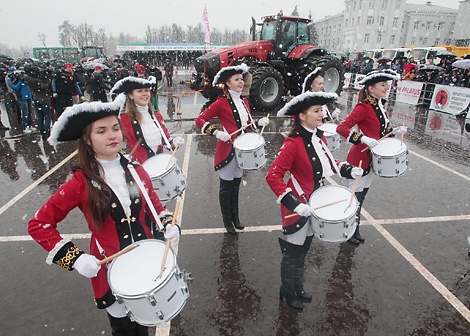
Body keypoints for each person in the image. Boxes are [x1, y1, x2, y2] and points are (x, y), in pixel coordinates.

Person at [27, 95, 180, 335]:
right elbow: (39, 224)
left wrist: (168, 222)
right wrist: (74, 258)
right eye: (102, 131)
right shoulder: (79, 183)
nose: (112, 135)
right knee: (124, 331)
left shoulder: (137, 170)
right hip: (112, 273)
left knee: (145, 326)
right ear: (87, 140)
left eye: (115, 128)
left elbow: (155, 206)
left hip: (147, 264)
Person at [266, 91, 363, 309]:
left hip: (315, 204)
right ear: (302, 115)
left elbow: (328, 162)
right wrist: (295, 204)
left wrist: (348, 169)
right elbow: (272, 175)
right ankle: (288, 291)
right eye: (316, 111)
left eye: (322, 110)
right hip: (298, 206)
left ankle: (297, 287)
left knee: (303, 250)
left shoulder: (317, 137)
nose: (322, 114)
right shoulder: (293, 143)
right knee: (292, 252)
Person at [195, 64, 269, 234]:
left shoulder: (244, 101)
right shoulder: (220, 103)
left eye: (241, 79)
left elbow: (247, 126)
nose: (241, 82)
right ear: (227, 83)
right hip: (227, 150)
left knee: (236, 186)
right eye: (236, 80)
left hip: (242, 151)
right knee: (226, 187)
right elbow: (200, 120)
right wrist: (215, 132)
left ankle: (236, 218)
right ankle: (227, 220)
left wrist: (258, 123)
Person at [336, 70, 406, 245]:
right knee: (354, 197)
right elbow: (342, 128)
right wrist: (363, 138)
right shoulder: (364, 106)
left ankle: (355, 229)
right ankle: (348, 230)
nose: (386, 88)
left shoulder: (380, 105)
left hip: (371, 159)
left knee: (362, 196)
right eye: (383, 85)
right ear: (371, 88)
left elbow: (380, 131)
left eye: (387, 85)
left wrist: (394, 132)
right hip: (359, 159)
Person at [111, 76, 185, 164]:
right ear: (131, 95)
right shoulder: (124, 119)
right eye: (139, 91)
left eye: (146, 90)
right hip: (139, 169)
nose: (144, 94)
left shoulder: (156, 115)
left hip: (159, 166)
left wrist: (174, 143)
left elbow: (165, 141)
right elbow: (112, 145)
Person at [24, 63, 52, 139]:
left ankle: (42, 132)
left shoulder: (28, 79)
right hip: (44, 98)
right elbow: (44, 87)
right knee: (47, 117)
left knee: (40, 117)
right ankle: (47, 133)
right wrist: (48, 80)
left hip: (36, 99)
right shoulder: (37, 80)